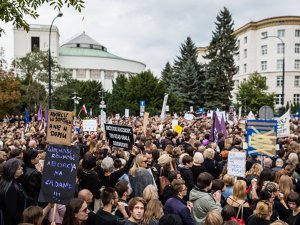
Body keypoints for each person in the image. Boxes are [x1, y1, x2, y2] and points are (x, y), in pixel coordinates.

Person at [0, 158, 27, 225]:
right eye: (18, 168)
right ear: (11, 171)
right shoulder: (11, 188)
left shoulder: (6, 182)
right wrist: (21, 221)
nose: (22, 168)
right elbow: (12, 211)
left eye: (21, 167)